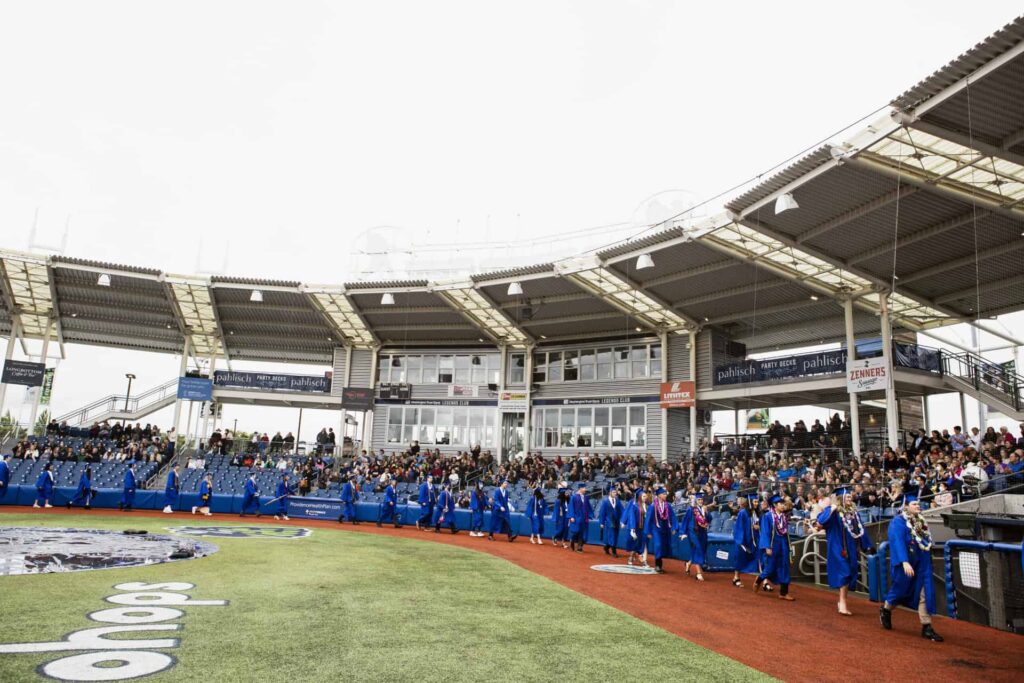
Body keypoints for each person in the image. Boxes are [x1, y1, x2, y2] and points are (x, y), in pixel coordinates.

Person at [880, 496, 943, 641]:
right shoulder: (898, 522)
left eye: (918, 504)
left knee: (925, 592)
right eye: (914, 504)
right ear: (906, 506)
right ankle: (886, 609)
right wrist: (904, 561)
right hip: (906, 564)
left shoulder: (921, 522)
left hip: (921, 564)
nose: (918, 506)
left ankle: (927, 627)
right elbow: (897, 542)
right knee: (900, 592)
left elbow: (925, 540)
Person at [817, 487, 876, 616]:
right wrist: (832, 509)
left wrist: (868, 546)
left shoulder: (853, 513)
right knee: (845, 571)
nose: (850, 498)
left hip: (851, 547)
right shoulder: (834, 511)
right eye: (847, 496)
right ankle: (842, 602)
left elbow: (861, 530)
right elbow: (820, 521)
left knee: (850, 573)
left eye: (850, 496)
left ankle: (842, 599)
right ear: (840, 498)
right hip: (838, 546)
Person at [754, 495, 793, 601]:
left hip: (783, 543)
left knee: (785, 566)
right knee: (770, 567)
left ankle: (783, 593)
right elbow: (765, 532)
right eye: (781, 504)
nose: (783, 505)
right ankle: (759, 579)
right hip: (773, 543)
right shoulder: (767, 516)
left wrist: (788, 546)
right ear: (775, 505)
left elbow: (785, 532)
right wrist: (767, 546)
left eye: (783, 504)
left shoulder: (784, 517)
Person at [644, 487, 683, 574]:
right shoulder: (653, 506)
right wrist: (648, 531)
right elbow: (648, 520)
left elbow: (672, 516)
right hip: (656, 528)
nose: (665, 495)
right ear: (658, 495)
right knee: (658, 544)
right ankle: (658, 564)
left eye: (665, 494)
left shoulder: (668, 505)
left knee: (664, 546)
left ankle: (660, 563)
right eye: (664, 494)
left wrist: (674, 527)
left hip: (665, 528)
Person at [681, 491, 710, 581]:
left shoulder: (704, 509)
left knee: (701, 549)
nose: (700, 501)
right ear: (696, 500)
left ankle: (688, 564)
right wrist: (683, 533)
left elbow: (709, 519)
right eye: (699, 499)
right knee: (697, 549)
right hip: (693, 532)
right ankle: (698, 573)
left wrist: (707, 513)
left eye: (701, 499)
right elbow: (685, 521)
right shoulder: (691, 509)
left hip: (703, 532)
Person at [731, 493, 759, 588]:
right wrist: (740, 542)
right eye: (755, 501)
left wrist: (758, 527)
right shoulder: (743, 513)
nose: (756, 503)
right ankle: (736, 578)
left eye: (757, 501)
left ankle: (764, 581)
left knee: (759, 558)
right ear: (750, 502)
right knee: (740, 558)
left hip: (754, 540)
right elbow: (738, 527)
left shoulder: (756, 513)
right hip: (743, 540)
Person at [622, 488, 649, 567]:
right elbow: (632, 517)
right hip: (637, 527)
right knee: (636, 543)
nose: (645, 498)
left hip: (644, 528)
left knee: (644, 543)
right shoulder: (634, 506)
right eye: (644, 496)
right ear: (640, 497)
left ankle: (643, 560)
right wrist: (632, 529)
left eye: (646, 496)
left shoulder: (647, 506)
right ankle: (632, 557)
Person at [597, 486, 622, 557]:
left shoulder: (617, 500)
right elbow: (602, 513)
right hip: (609, 521)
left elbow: (622, 510)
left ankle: (606, 547)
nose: (615, 494)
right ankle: (614, 551)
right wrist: (601, 522)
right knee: (612, 535)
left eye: (615, 492)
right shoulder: (605, 502)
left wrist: (623, 520)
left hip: (616, 521)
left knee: (615, 535)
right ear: (610, 493)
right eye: (613, 492)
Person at [568, 482, 591, 553]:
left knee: (582, 532)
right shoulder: (574, 497)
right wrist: (571, 516)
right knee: (576, 531)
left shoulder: (586, 497)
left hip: (584, 518)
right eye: (584, 488)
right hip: (576, 517)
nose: (585, 489)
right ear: (580, 488)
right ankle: (572, 540)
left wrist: (589, 516)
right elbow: (571, 507)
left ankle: (579, 547)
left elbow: (588, 507)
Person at [551, 482, 570, 549]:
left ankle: (563, 542)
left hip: (566, 517)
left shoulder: (568, 500)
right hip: (560, 517)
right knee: (560, 529)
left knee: (566, 530)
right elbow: (556, 510)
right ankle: (555, 537)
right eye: (565, 493)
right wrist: (556, 518)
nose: (567, 494)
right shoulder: (558, 501)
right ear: (562, 494)